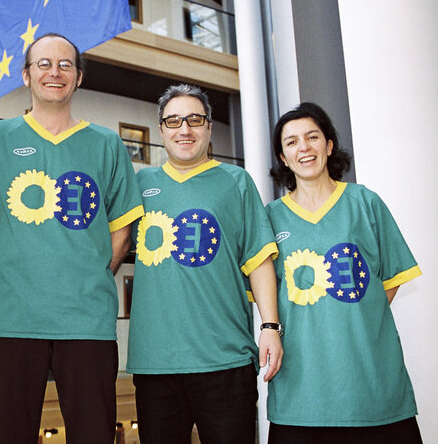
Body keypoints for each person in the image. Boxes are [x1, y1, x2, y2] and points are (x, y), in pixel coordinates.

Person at [0, 33, 144, 444]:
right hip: (12, 322)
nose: (54, 72)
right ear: (25, 75)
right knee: (10, 435)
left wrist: (90, 279)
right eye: (43, 64)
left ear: (78, 78)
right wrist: (7, 285)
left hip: (87, 323)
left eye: (64, 65)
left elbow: (122, 231)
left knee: (94, 435)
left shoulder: (107, 144)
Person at [126, 83, 283, 444]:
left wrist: (270, 326)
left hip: (225, 360)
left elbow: (259, 260)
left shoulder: (236, 182)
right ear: (162, 129)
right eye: (174, 121)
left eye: (195, 119)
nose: (185, 129)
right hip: (156, 365)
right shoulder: (140, 183)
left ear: (209, 127)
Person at [265, 102, 422, 444]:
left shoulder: (366, 203)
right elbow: (266, 296)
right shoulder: (269, 218)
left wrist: (353, 318)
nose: (303, 147)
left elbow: (389, 284)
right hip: (300, 394)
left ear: (329, 145)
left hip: (372, 390)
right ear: (282, 156)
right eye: (291, 142)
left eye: (312, 137)